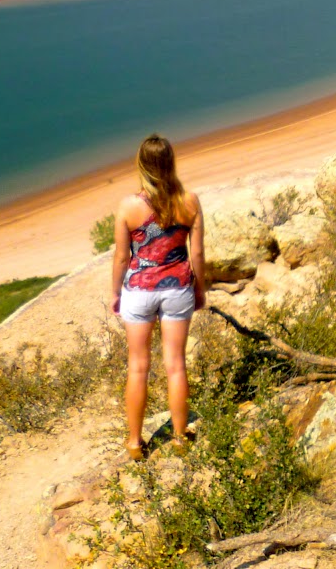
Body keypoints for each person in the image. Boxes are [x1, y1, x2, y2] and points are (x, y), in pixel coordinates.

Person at [110, 134, 207, 461]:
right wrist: (200, 288)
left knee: (138, 367)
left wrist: (115, 294)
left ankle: (135, 443)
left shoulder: (128, 206)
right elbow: (198, 253)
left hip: (138, 292)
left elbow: (122, 258)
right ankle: (180, 437)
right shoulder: (190, 201)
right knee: (175, 366)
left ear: (142, 165)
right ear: (170, 162)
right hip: (178, 288)